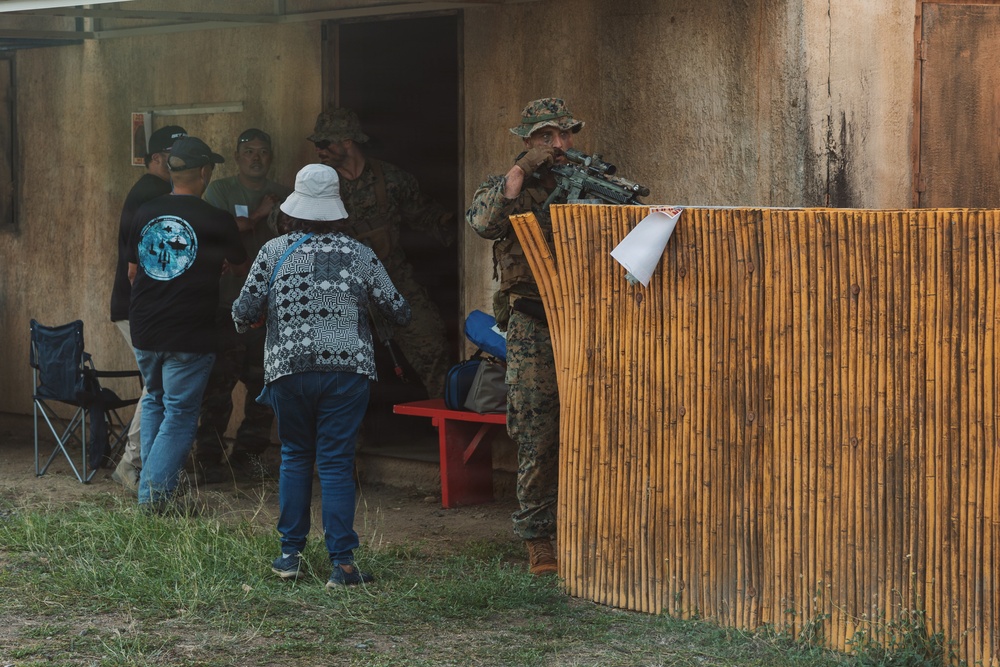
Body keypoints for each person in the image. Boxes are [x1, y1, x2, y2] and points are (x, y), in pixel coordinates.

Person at [232, 163, 411, 587]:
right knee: (334, 462)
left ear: (294, 208)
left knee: (295, 456)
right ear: (337, 209)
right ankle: (343, 565)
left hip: (288, 370)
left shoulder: (273, 252)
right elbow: (400, 311)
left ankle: (289, 557)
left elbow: (242, 313)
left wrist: (266, 318)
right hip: (347, 373)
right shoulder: (360, 253)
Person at [465, 98, 585, 576]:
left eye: (565, 134)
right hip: (533, 323)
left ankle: (588, 523)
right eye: (547, 137)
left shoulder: (584, 185)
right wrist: (521, 170)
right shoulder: (503, 188)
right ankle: (538, 538)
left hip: (586, 321)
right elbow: (483, 223)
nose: (559, 145)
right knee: (538, 430)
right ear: (527, 140)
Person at [126, 137, 248, 511]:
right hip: (190, 332)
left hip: (145, 328)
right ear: (205, 172)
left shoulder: (145, 211)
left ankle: (151, 488)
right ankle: (154, 498)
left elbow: (134, 271)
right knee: (179, 413)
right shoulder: (216, 219)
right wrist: (215, 266)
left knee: (155, 401)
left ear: (173, 170)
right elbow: (240, 267)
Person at [308, 108, 452, 399]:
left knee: (432, 346)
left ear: (347, 141)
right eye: (317, 145)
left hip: (393, 282)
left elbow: (428, 217)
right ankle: (346, 441)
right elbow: (287, 220)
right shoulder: (318, 184)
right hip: (340, 289)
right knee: (336, 366)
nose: (319, 150)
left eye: (325, 143)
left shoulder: (391, 179)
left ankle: (446, 430)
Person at [194, 128, 293, 480]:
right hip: (227, 305)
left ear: (271, 157)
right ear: (237, 157)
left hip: (270, 310)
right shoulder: (220, 190)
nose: (256, 157)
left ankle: (248, 458)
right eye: (248, 151)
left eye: (263, 151)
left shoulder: (285, 195)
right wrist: (258, 213)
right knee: (217, 388)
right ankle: (207, 458)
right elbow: (220, 234)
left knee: (264, 387)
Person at [109, 124, 188, 490]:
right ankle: (132, 463)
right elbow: (137, 263)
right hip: (137, 305)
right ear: (157, 158)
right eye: (174, 154)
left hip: (138, 305)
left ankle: (141, 463)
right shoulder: (154, 191)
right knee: (156, 386)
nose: (180, 161)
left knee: (156, 385)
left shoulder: (152, 190)